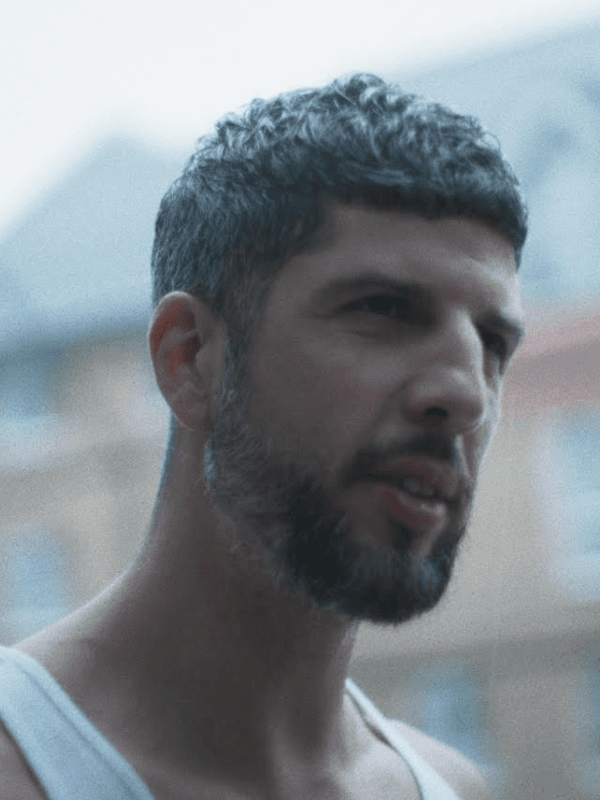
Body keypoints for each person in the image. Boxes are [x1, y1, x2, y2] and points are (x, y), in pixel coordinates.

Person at [0, 73, 527, 799]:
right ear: (189, 359)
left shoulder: (450, 787)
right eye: (384, 309)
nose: (466, 394)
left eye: (493, 344)